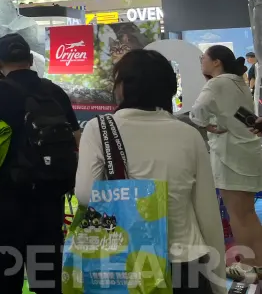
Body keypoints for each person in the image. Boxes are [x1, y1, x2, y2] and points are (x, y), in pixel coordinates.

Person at [76, 50, 225, 294]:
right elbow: (207, 212)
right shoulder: (188, 134)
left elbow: (85, 194)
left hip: (126, 260)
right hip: (185, 262)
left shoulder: (99, 128)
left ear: (122, 86)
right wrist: (218, 284)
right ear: (168, 88)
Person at [0, 33, 80, 294]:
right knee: (47, 280)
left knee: (4, 280)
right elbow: (77, 138)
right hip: (49, 201)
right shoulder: (54, 91)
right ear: (31, 60)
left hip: (5, 203)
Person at [191, 44, 262, 281]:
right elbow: (243, 116)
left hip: (230, 156)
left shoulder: (216, 84)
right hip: (248, 152)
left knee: (238, 215)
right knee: (247, 213)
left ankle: (249, 266)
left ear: (216, 62)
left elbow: (197, 112)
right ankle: (257, 265)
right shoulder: (237, 81)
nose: (202, 61)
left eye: (204, 58)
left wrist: (206, 124)